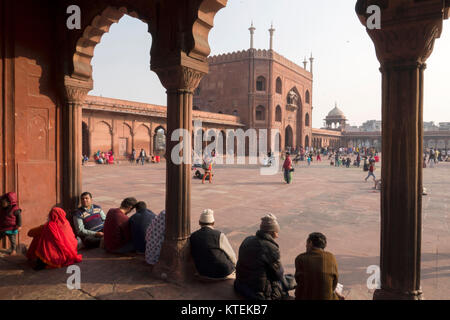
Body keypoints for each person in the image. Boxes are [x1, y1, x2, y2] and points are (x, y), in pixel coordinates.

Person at [234, 214, 295, 300]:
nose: (277, 234)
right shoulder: (270, 248)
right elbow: (278, 274)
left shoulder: (248, 239)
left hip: (240, 285)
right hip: (258, 294)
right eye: (276, 231)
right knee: (289, 282)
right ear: (272, 232)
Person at [190, 209, 237, 280]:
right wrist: (235, 267)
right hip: (223, 272)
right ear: (213, 223)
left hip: (203, 272)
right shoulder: (219, 235)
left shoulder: (193, 236)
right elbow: (231, 255)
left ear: (199, 222)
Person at [295, 232, 344, 300]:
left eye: (307, 243)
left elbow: (298, 280)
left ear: (310, 243)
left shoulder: (300, 258)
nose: (306, 245)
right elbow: (334, 282)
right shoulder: (331, 257)